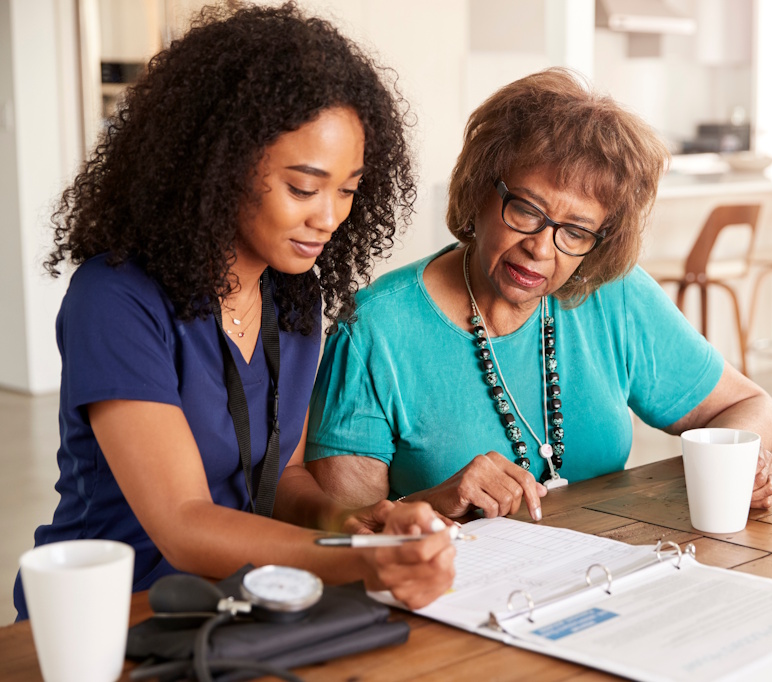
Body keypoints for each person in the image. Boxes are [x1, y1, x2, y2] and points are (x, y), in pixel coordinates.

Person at [12, 3, 454, 621]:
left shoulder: (294, 295)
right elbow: (185, 525)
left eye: (348, 189)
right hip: (109, 617)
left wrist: (358, 525)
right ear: (217, 166)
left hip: (239, 606)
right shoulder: (114, 300)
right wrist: (357, 559)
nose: (328, 217)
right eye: (303, 187)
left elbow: (285, 478)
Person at [304, 68, 772, 522]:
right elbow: (345, 533)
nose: (540, 247)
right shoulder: (374, 330)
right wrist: (433, 503)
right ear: (478, 192)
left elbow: (749, 405)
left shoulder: (612, 295)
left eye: (575, 231)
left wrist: (744, 458)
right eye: (527, 210)